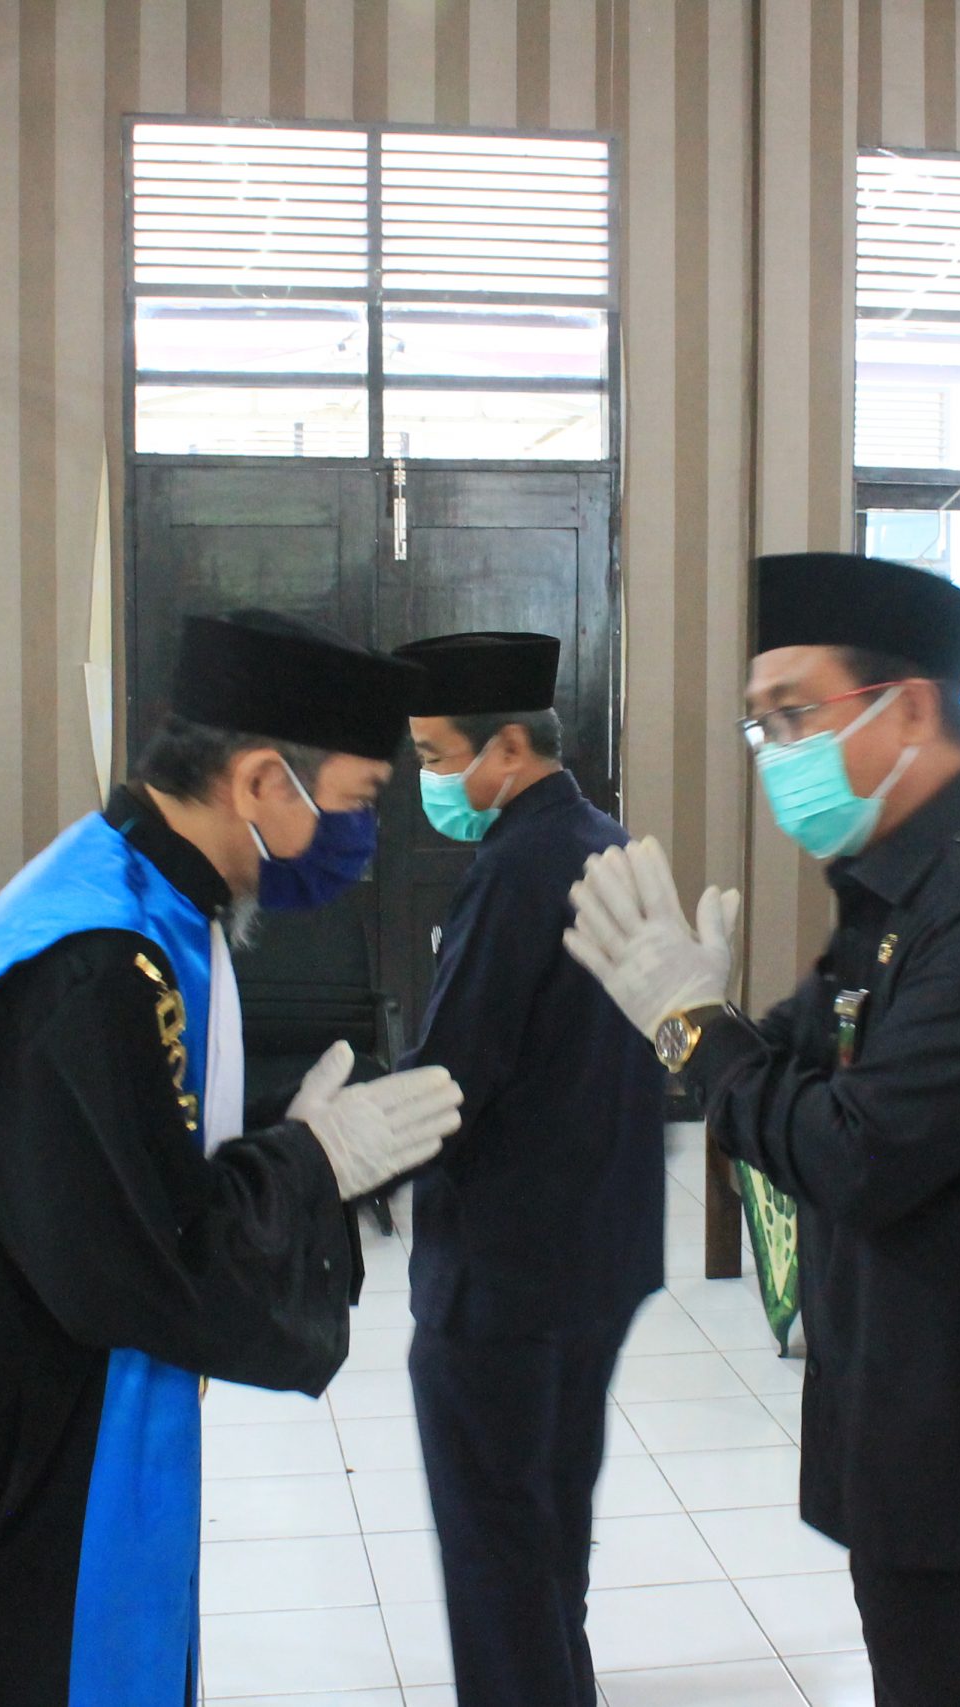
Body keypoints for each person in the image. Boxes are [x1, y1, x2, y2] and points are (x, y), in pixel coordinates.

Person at [0, 611, 464, 1707]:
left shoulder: (146, 891)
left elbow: (127, 1155)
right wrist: (309, 1167)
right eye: (358, 799)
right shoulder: (95, 957)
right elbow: (137, 1260)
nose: (361, 836)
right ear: (261, 780)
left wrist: (282, 1139)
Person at [561, 553, 960, 1707]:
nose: (776, 750)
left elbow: (855, 1153)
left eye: (796, 712)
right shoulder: (907, 877)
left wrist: (692, 1029)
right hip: (928, 1413)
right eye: (762, 724)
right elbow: (798, 1059)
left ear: (912, 708)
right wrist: (713, 1024)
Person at [390, 630, 665, 1707]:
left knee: (495, 1549)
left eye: (433, 755)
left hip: (503, 1277)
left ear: (507, 747)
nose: (426, 779)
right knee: (551, 1533)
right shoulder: (608, 843)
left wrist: (321, 1171)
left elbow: (452, 1077)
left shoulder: (513, 871)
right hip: (596, 1256)